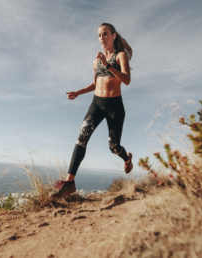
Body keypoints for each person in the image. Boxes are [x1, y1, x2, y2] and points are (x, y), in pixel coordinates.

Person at [50, 23, 133, 199]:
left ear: (114, 36)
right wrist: (78, 93)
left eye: (105, 34)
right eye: (99, 35)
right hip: (97, 104)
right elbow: (95, 84)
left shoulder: (120, 56)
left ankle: (126, 158)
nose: (102, 38)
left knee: (114, 147)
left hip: (115, 106)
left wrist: (108, 65)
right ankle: (69, 183)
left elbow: (126, 80)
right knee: (82, 137)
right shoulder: (96, 61)